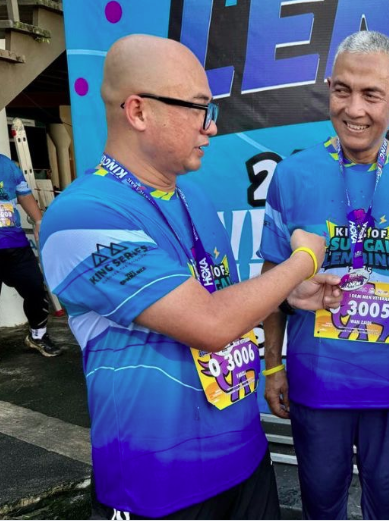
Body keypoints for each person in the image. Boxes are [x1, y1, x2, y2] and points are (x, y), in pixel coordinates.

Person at [39, 34, 339, 519]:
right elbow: (209, 322)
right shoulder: (80, 215)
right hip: (157, 486)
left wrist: (290, 296)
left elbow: (227, 305)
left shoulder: (194, 199)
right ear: (138, 112)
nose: (211, 127)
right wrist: (303, 260)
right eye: (199, 108)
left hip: (245, 460)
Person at [259, 30, 389, 520]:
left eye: (371, 95)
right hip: (317, 377)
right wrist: (274, 364)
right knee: (320, 501)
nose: (354, 109)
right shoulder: (292, 174)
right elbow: (272, 278)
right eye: (342, 90)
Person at [0, 153, 59, 356]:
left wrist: (39, 221)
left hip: (15, 244)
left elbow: (23, 194)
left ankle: (37, 336)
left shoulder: (6, 164)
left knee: (35, 288)